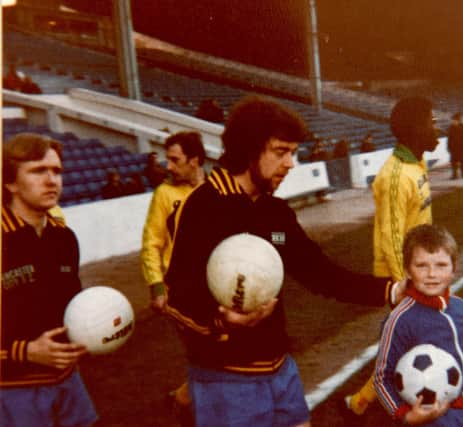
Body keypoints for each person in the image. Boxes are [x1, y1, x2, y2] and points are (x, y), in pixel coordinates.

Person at [163, 96, 405, 427]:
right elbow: (176, 298)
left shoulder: (274, 212)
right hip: (226, 381)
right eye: (281, 152)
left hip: (281, 370)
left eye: (292, 152)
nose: (291, 163)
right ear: (249, 150)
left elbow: (319, 272)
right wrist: (222, 322)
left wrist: (392, 291)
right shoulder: (204, 207)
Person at [345, 96, 440, 416]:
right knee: (415, 342)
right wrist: (406, 284)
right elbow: (392, 235)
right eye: (431, 120)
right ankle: (373, 403)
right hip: (400, 276)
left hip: (420, 271)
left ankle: (360, 403)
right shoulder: (395, 176)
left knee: (409, 343)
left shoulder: (416, 164)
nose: (436, 126)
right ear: (416, 129)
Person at [0, 133, 98, 427]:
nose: (52, 180)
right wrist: (26, 351)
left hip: (69, 384)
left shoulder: (64, 238)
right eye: (38, 171)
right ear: (10, 183)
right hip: (11, 393)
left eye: (56, 171)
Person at [374, 224, 463, 426]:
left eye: (441, 265)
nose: (431, 274)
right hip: (433, 420)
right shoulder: (400, 319)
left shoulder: (460, 308)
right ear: (407, 271)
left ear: (454, 268)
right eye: (421, 266)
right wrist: (406, 415)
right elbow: (382, 379)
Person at [140, 131, 206, 425]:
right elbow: (151, 244)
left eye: (175, 160)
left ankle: (183, 397)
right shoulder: (164, 195)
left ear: (195, 161)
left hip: (216, 287)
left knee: (217, 353)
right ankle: (189, 404)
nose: (168, 166)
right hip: (180, 294)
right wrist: (156, 287)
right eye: (168, 159)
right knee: (211, 349)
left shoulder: (216, 190)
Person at [446, 112, 463, 179]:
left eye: (454, 120)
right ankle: (455, 175)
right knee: (453, 162)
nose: (453, 122)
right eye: (452, 120)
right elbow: (449, 138)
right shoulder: (451, 128)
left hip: (461, 147)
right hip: (453, 148)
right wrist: (448, 147)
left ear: (458, 120)